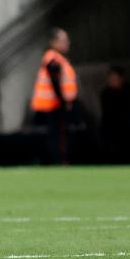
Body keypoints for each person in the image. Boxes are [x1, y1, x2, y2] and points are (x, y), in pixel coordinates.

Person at [30, 27, 78, 164]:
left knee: (57, 133)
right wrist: (63, 101)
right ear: (53, 42)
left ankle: (59, 160)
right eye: (63, 40)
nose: (67, 43)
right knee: (57, 134)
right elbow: (55, 81)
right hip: (54, 104)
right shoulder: (53, 59)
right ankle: (59, 161)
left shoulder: (57, 58)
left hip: (56, 103)